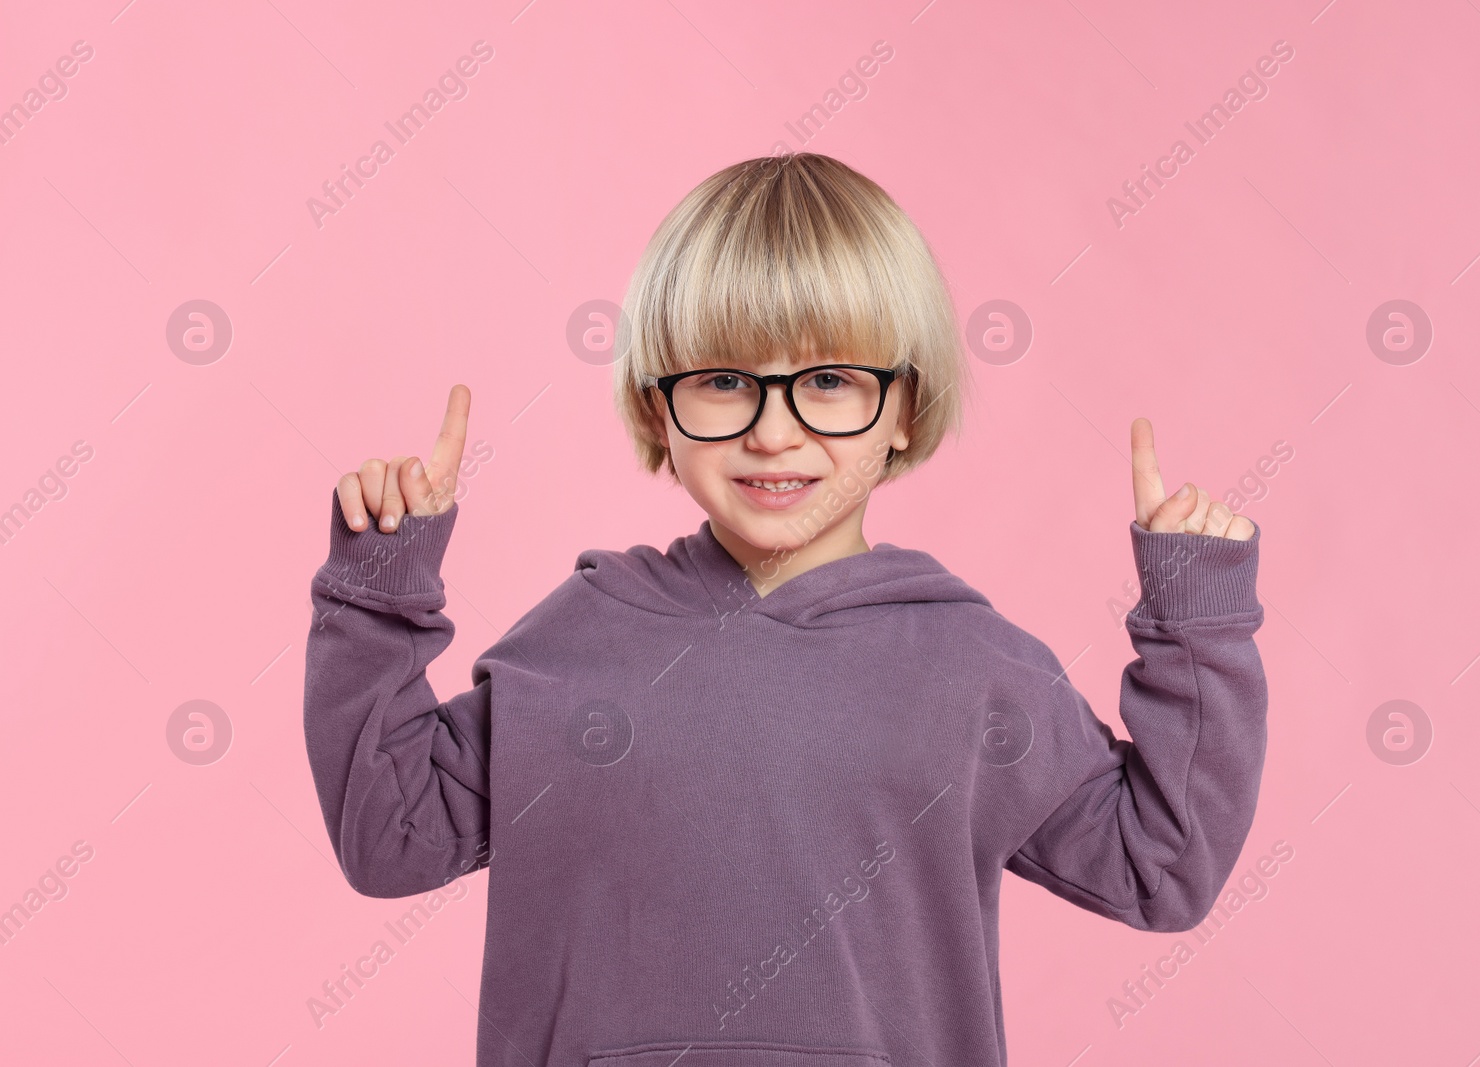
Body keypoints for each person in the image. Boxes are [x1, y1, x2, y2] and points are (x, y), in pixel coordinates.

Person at [303, 152, 1266, 1067]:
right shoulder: (574, 644)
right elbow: (389, 838)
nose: (774, 430)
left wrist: (1196, 625)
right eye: (724, 381)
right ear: (654, 410)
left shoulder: (972, 667)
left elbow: (1161, 866)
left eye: (831, 382)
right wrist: (380, 587)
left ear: (903, 408)